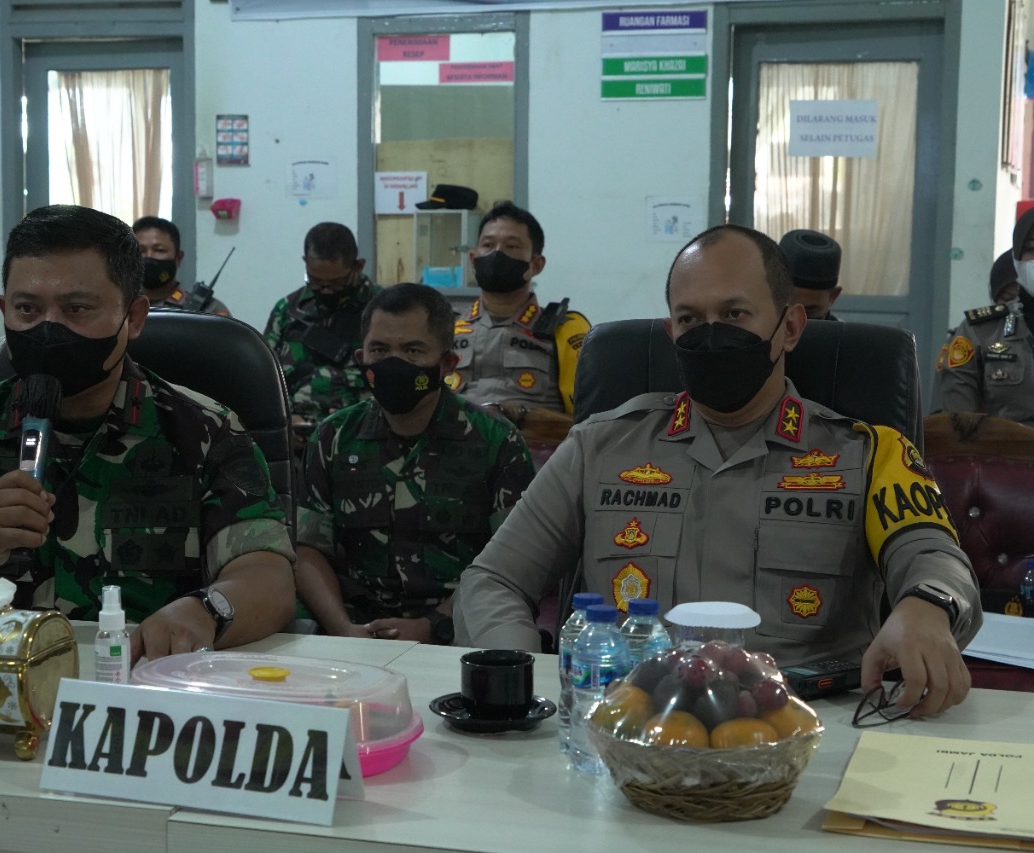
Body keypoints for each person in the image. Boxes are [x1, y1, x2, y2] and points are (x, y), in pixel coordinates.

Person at [455, 224, 982, 718]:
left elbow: (934, 556)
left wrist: (927, 606)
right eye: (690, 319)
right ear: (671, 332)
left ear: (790, 327)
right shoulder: (600, 447)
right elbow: (494, 579)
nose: (711, 335)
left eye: (734, 314)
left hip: (807, 729)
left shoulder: (869, 452)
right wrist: (520, 677)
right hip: (631, 731)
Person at [0, 205, 295, 659]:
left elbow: (268, 577)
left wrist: (206, 611)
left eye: (77, 309)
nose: (49, 329)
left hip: (139, 679)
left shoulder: (205, 432)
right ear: (4, 310)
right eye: (27, 309)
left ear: (134, 317)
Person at [295, 283, 534, 644]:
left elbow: (511, 563)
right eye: (379, 349)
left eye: (413, 350)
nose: (393, 363)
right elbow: (307, 549)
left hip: (461, 630)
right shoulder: (333, 437)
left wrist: (432, 625)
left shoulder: (497, 441)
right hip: (353, 629)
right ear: (361, 358)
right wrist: (342, 628)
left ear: (447, 364)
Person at [446, 201, 590, 449]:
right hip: (453, 456)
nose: (497, 253)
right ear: (473, 258)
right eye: (488, 245)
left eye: (511, 246)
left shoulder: (565, 330)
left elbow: (591, 421)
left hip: (537, 460)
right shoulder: (446, 328)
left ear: (536, 264)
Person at [263, 222, 379, 436]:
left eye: (336, 283)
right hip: (293, 434)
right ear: (306, 262)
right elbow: (264, 379)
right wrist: (283, 422)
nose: (325, 290)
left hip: (360, 434)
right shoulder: (287, 310)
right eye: (315, 281)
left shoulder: (383, 310)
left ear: (358, 266)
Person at [935, 208, 1034, 426]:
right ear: (1016, 260)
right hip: (1003, 447)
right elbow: (958, 426)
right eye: (1031, 250)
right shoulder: (980, 332)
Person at [132, 215, 231, 316]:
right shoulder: (123, 306)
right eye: (140, 250)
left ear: (178, 258)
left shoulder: (210, 310)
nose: (149, 256)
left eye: (159, 250)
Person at [779, 228, 842, 321]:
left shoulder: (842, 331)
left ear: (833, 296)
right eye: (784, 305)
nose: (793, 321)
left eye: (808, 311)